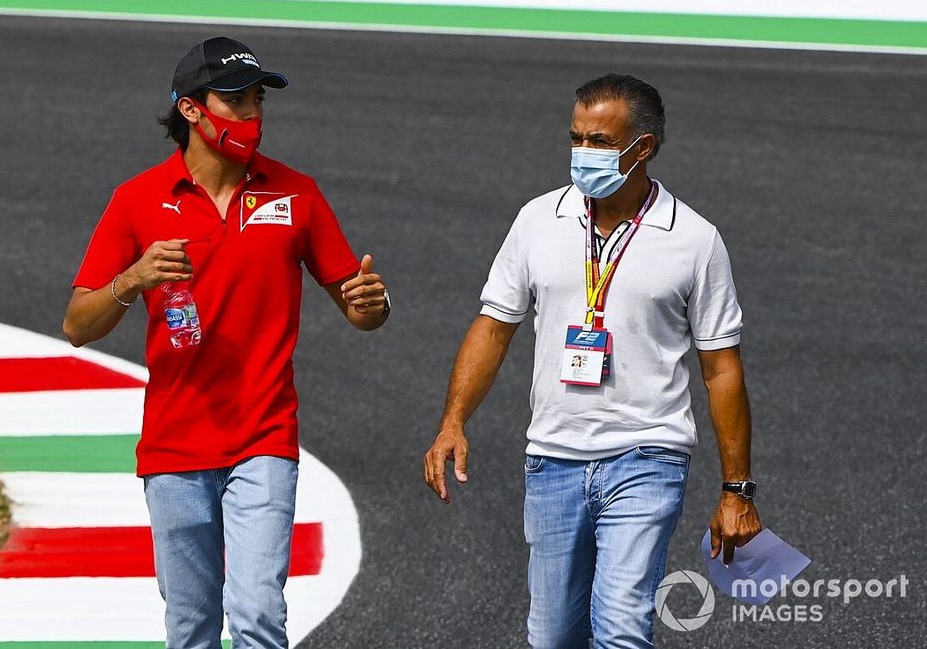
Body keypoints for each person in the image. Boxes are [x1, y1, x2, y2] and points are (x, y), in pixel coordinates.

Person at [63, 36, 390, 649]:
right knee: (191, 628)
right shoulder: (135, 200)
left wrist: (373, 303)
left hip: (264, 437)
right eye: (235, 101)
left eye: (257, 100)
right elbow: (78, 327)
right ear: (191, 110)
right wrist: (131, 279)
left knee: (258, 614)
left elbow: (360, 308)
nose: (251, 116)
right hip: (173, 445)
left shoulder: (296, 193)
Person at [423, 74, 761, 648]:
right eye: (576, 137)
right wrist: (453, 421)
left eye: (601, 142)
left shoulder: (696, 240)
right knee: (554, 637)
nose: (583, 153)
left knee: (621, 627)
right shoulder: (536, 220)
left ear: (643, 147)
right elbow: (493, 327)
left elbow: (721, 367)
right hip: (552, 459)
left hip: (647, 457)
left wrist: (738, 491)